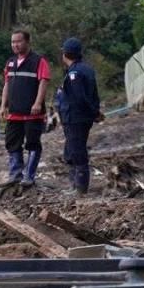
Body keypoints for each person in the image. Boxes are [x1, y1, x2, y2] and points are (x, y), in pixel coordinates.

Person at [0, 29, 51, 189]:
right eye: (13, 42)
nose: (15, 45)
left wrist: (37, 103)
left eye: (18, 41)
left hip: (32, 113)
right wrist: (3, 105)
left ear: (27, 42)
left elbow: (43, 82)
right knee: (12, 142)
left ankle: (29, 176)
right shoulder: (10, 62)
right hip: (14, 113)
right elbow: (7, 84)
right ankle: (15, 174)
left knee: (33, 143)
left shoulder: (39, 61)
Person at [56, 37, 103, 195]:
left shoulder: (75, 73)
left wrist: (93, 112)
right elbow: (93, 95)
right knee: (70, 151)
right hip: (77, 118)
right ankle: (74, 185)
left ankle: (80, 188)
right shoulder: (86, 69)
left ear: (66, 54)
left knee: (77, 152)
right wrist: (95, 111)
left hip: (75, 118)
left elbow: (79, 98)